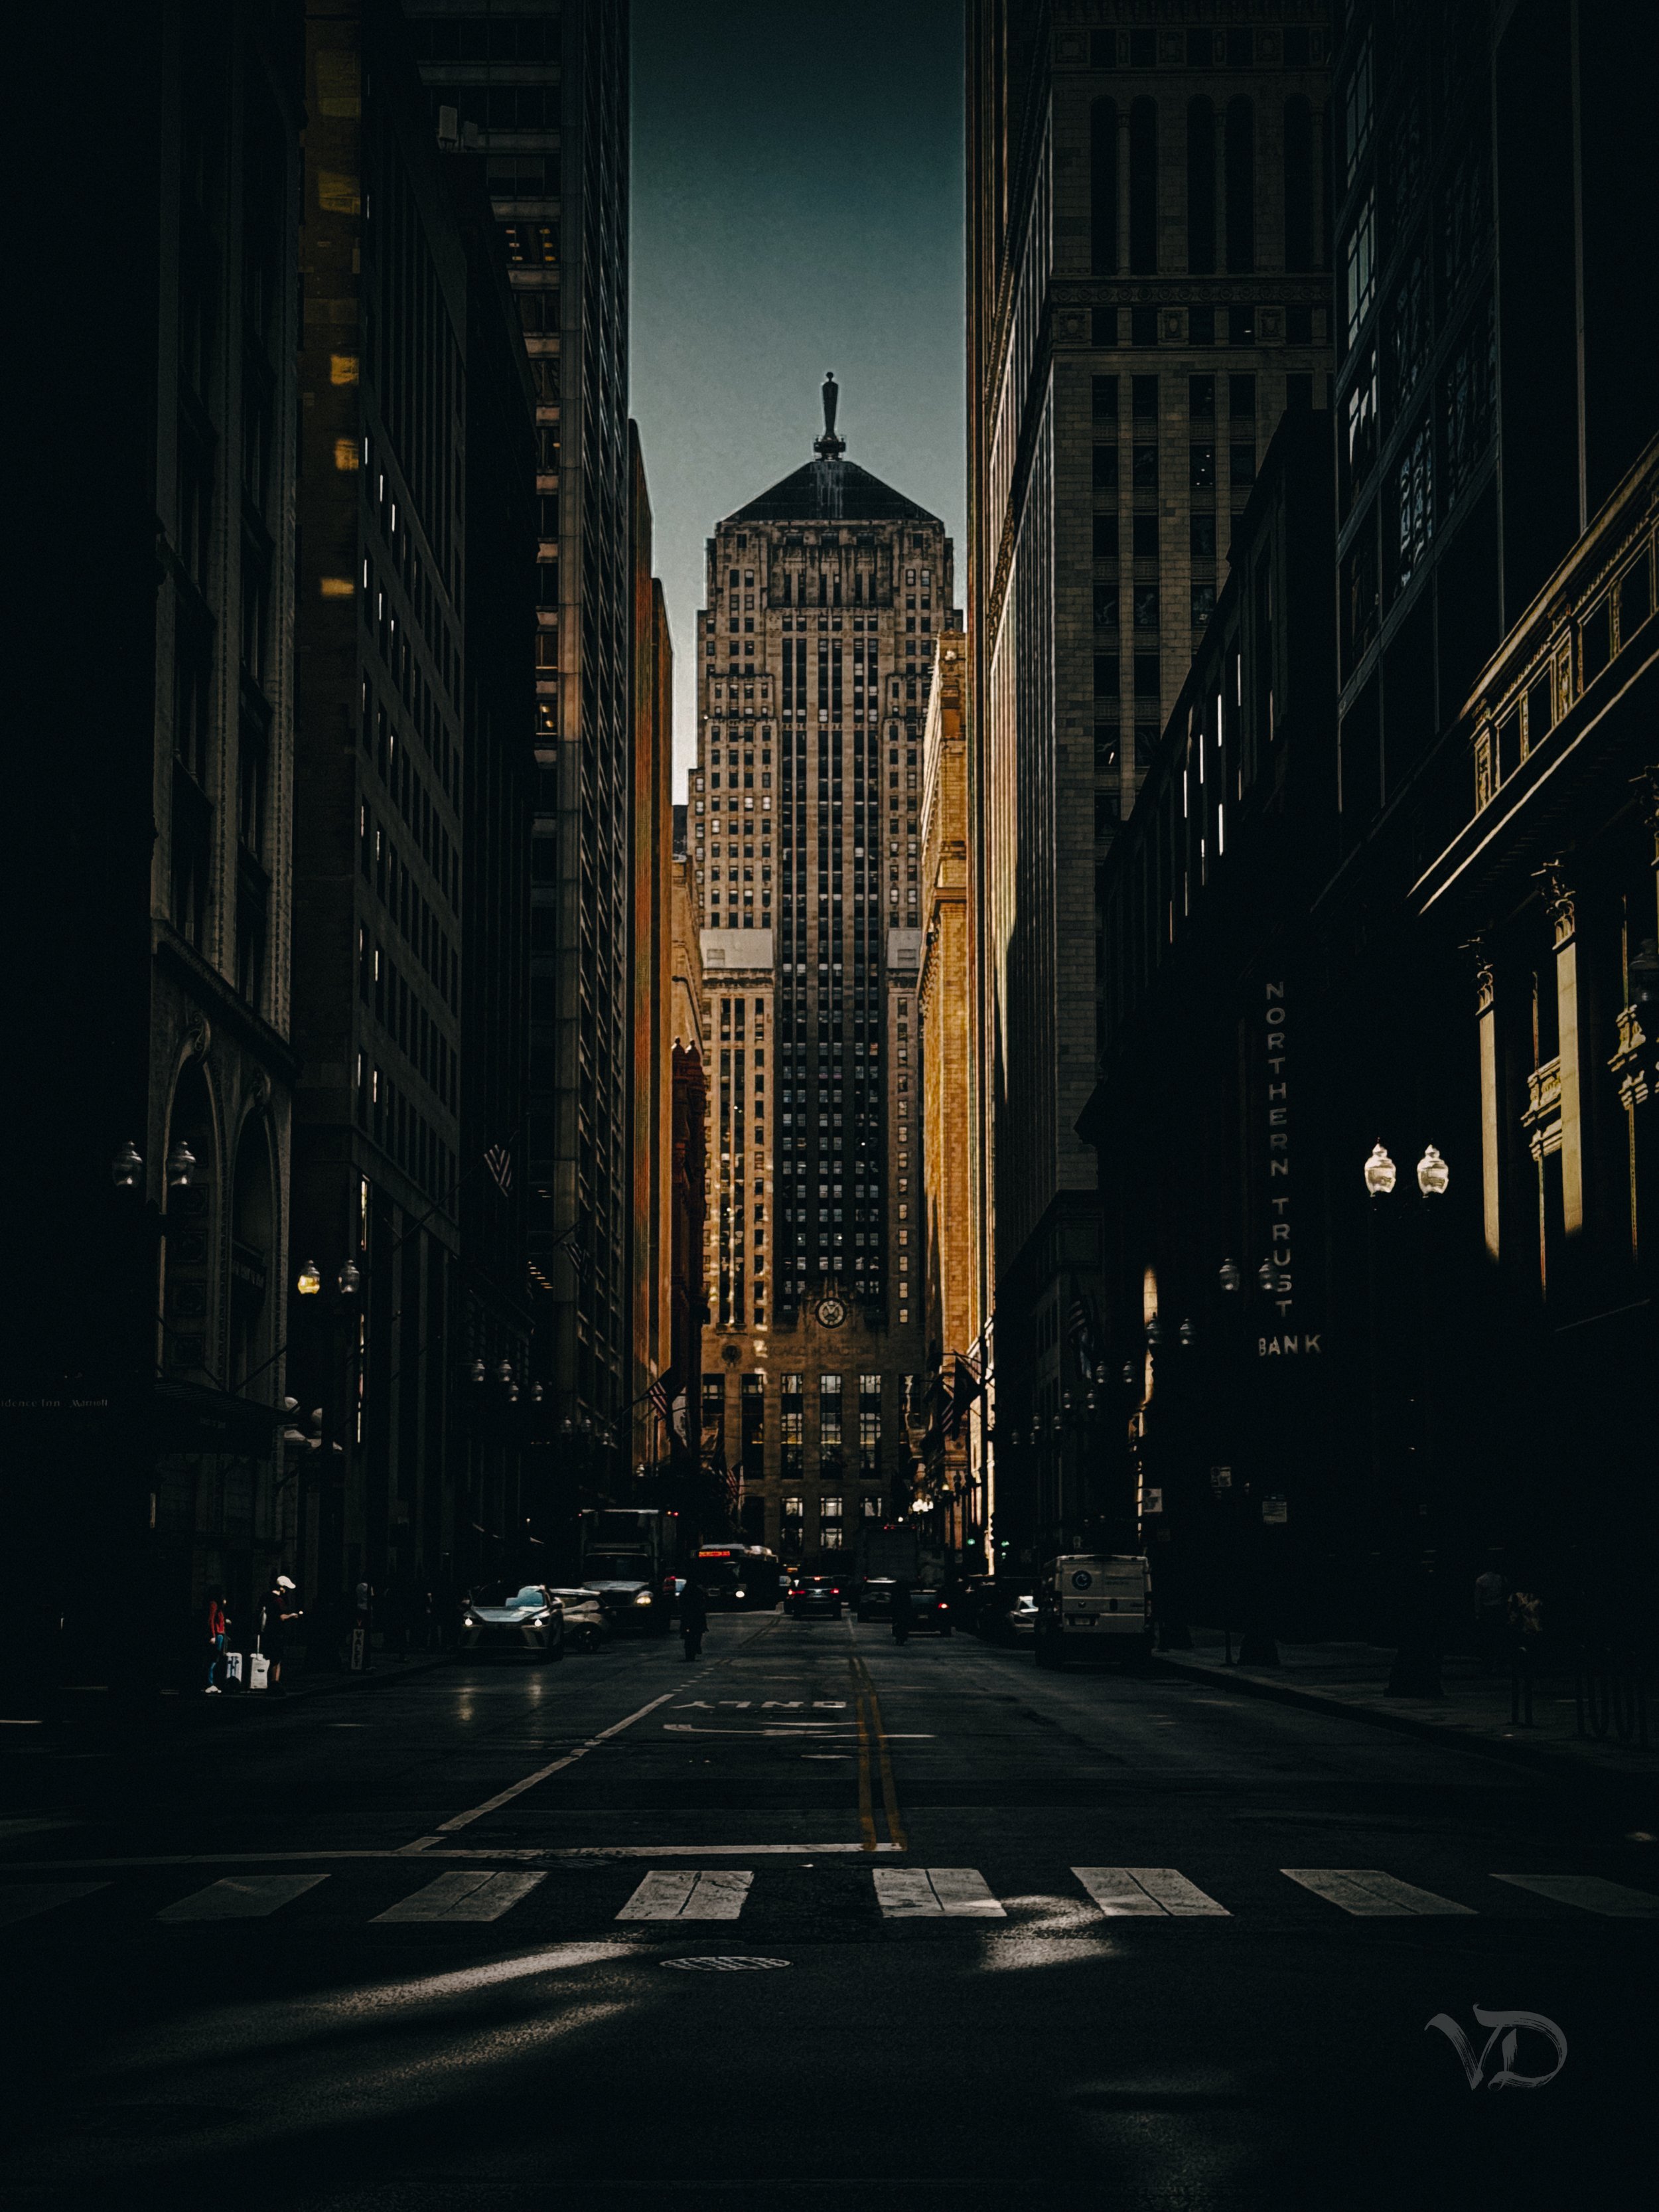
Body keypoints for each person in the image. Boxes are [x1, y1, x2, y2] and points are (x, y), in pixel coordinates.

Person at [260, 1574, 301, 1694]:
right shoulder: (278, 1601)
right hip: (276, 1633)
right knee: (276, 1659)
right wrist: (292, 1616)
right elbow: (281, 1617)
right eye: (286, 1589)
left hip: (267, 1631)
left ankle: (270, 1683)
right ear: (282, 1588)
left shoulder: (265, 1597)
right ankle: (275, 1683)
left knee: (270, 1657)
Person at [1473, 1552, 1508, 1671]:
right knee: (1498, 1636)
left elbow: (1478, 1598)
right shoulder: (1502, 1579)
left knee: (1487, 1637)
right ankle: (1498, 1661)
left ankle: (1488, 1661)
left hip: (1487, 1610)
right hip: (1499, 1609)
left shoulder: (1481, 1580)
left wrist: (1478, 1612)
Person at [204, 1586, 229, 1694]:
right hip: (217, 1635)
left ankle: (213, 1683)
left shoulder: (218, 1607)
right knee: (213, 1659)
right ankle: (210, 1683)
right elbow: (211, 1621)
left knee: (216, 1659)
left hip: (220, 1634)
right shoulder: (214, 1605)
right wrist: (213, 1636)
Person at [680, 1576, 708, 1662]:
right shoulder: (696, 1592)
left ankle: (695, 1644)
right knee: (698, 1630)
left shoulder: (687, 1592)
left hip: (693, 1615)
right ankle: (695, 1645)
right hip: (692, 1616)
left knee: (699, 1630)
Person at [891, 1578, 912, 1645]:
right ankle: (901, 1636)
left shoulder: (896, 1592)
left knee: (898, 1623)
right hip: (902, 1611)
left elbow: (893, 1602)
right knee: (902, 1624)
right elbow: (909, 1602)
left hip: (899, 1611)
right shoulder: (905, 1593)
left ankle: (900, 1636)